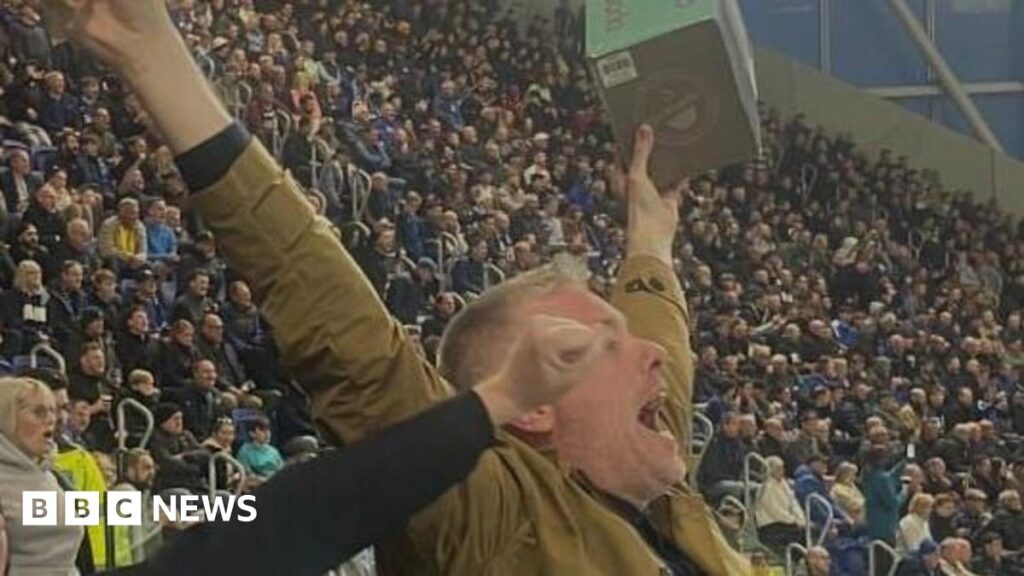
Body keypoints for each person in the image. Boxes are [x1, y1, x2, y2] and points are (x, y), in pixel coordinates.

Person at [55, 2, 750, 574]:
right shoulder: (495, 521)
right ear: (535, 410)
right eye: (602, 342)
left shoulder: (666, 504)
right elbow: (352, 342)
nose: (653, 357)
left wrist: (651, 241)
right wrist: (159, 64)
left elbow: (664, 348)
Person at [0, 378, 88, 574]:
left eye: (52, 411)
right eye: (38, 412)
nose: (51, 419)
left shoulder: (49, 477)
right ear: (6, 419)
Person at [754, 455, 806, 553]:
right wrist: (793, 521)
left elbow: (794, 504)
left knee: (808, 531)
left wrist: (801, 520)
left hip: (788, 523)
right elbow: (774, 511)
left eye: (782, 467)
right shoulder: (765, 487)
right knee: (798, 534)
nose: (781, 470)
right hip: (772, 525)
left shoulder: (784, 485)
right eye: (778, 468)